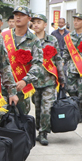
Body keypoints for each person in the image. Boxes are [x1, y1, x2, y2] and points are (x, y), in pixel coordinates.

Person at [2, 6, 46, 118]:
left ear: (28, 18)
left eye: (22, 15)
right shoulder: (3, 36)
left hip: (21, 88)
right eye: (16, 15)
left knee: (19, 123)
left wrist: (25, 81)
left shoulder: (34, 40)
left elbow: (38, 64)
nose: (18, 17)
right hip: (2, 87)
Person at [31, 12, 64, 145]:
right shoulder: (29, 39)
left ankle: (44, 132)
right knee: (38, 107)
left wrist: (62, 79)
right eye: (34, 22)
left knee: (47, 108)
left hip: (49, 80)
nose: (36, 25)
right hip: (34, 81)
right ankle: (38, 129)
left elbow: (57, 59)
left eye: (39, 22)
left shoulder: (52, 40)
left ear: (45, 25)